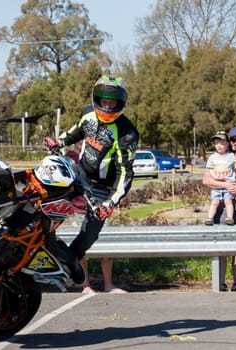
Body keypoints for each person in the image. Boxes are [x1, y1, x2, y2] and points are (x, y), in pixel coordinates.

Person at [44, 75, 139, 286]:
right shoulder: (88, 111)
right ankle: (33, 241)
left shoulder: (127, 133)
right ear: (96, 99)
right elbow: (77, 130)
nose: (106, 106)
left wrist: (110, 203)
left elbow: (126, 172)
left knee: (89, 235)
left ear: (119, 103)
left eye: (111, 102)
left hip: (103, 191)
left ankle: (65, 265)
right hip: (79, 174)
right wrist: (59, 141)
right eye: (103, 101)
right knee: (46, 196)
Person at [65, 141, 127, 294]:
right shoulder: (69, 158)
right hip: (78, 209)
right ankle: (85, 285)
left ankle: (108, 285)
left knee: (106, 248)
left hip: (100, 208)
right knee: (81, 250)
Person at [202, 126, 236, 292]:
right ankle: (220, 281)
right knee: (222, 248)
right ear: (227, 141)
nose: (235, 143)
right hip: (221, 208)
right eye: (232, 140)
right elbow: (206, 180)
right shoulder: (217, 159)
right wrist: (226, 185)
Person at [204, 131, 236, 226]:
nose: (219, 146)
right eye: (217, 144)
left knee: (228, 201)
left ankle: (229, 217)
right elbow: (210, 169)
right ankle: (210, 218)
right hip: (216, 186)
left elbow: (235, 168)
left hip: (228, 184)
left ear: (227, 144)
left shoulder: (231, 156)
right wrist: (214, 176)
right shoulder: (212, 158)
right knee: (215, 202)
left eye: (222, 144)